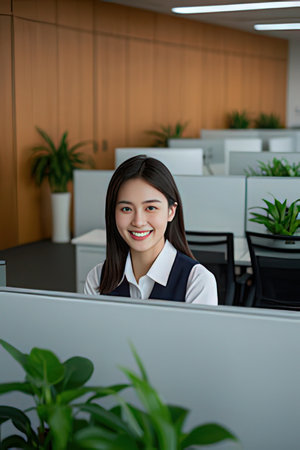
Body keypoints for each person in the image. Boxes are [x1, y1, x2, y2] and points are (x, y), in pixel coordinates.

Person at [84, 155, 218, 305]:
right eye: (126, 209)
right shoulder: (98, 278)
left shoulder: (197, 282)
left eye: (151, 208)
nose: (138, 222)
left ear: (171, 211)